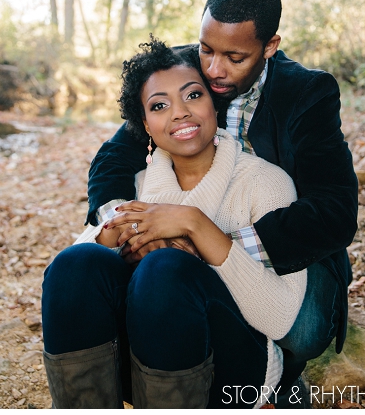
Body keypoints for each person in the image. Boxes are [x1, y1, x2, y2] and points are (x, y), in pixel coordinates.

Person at [83, 0, 358, 399]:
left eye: (234, 57)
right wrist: (126, 223)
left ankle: (269, 383)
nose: (213, 69)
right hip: (181, 223)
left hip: (279, 236)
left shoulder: (307, 92)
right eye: (206, 49)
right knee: (109, 273)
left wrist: (210, 242)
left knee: (303, 335)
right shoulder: (180, 71)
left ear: (269, 47)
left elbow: (334, 211)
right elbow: (112, 161)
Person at [42, 38, 306, 408]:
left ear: (214, 103)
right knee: (74, 265)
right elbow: (71, 284)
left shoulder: (266, 183)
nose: (179, 113)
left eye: (193, 96)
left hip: (234, 371)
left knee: (165, 269)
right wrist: (125, 236)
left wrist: (195, 226)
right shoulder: (136, 186)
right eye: (160, 106)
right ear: (145, 126)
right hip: (144, 368)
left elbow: (280, 320)